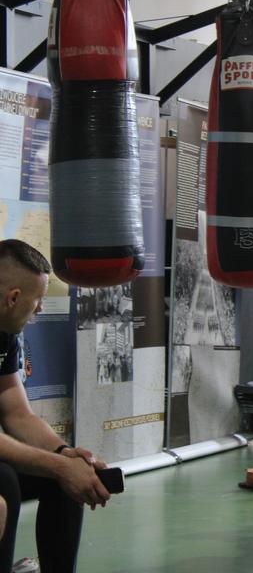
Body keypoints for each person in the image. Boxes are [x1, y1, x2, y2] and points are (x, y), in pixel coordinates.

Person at [0, 239, 112, 573]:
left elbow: (17, 411)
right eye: (38, 301)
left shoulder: (6, 332)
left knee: (63, 481)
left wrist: (64, 456)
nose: (39, 310)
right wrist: (57, 464)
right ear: (13, 298)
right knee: (4, 478)